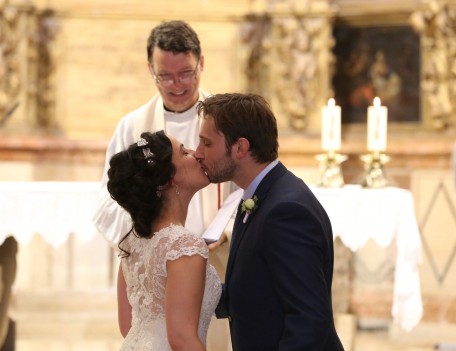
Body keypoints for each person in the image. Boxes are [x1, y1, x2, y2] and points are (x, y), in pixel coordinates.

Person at [195, 93, 345, 350]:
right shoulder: (259, 195)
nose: (198, 153)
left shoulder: (285, 212)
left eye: (206, 144)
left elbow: (309, 320)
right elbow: (255, 291)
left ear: (240, 148)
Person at [93, 20, 225, 248]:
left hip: (216, 252)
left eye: (185, 73)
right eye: (164, 76)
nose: (176, 85)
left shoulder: (225, 120)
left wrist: (227, 230)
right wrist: (153, 234)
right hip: (155, 254)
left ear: (201, 63)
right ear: (150, 70)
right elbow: (110, 199)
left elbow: (246, 186)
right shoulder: (132, 126)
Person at [107, 130, 221, 350]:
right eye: (184, 152)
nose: (196, 153)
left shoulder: (133, 242)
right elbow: (182, 340)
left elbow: (127, 326)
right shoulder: (184, 246)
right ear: (170, 178)